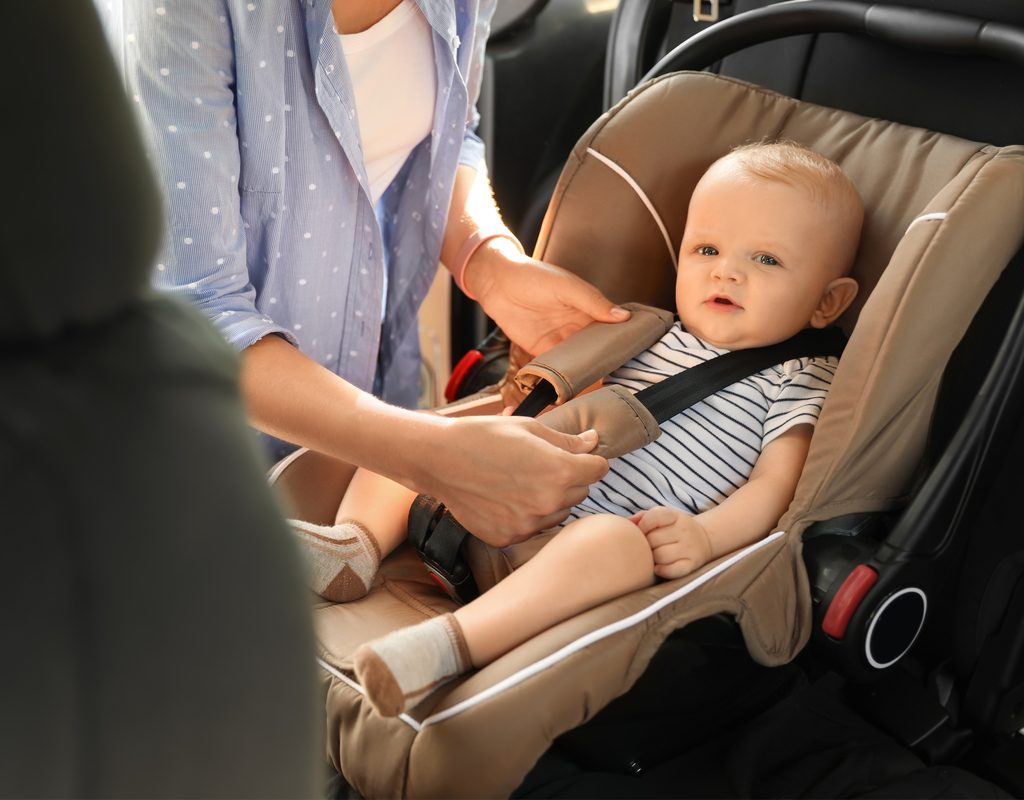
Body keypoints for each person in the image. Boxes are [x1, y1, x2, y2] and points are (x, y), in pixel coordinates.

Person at [294, 140, 865, 716]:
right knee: (417, 437)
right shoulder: (646, 332)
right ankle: (354, 547)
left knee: (618, 546)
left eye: (765, 260)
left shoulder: (800, 376)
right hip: (496, 491)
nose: (726, 270)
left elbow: (775, 487)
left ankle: (447, 646)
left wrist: (706, 537)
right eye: (707, 249)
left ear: (827, 301)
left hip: (572, 560)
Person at [94, 0, 631, 544]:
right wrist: (427, 453)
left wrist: (490, 263)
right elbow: (196, 320)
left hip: (362, 404)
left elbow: (449, 138)